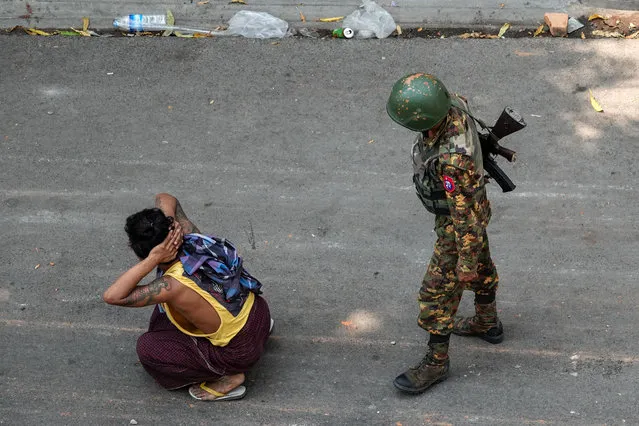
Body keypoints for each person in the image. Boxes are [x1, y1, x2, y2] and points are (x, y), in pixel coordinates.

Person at [386, 73, 504, 394]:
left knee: (436, 293)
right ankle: (487, 321)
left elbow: (465, 220)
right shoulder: (452, 105)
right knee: (480, 259)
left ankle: (436, 363)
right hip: (473, 205)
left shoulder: (453, 162)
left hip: (458, 223)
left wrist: (464, 263)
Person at [103, 193, 272, 401]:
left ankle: (229, 377)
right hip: (259, 313)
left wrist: (152, 259)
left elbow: (113, 296)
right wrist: (169, 223)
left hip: (241, 351)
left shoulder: (171, 286)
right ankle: (258, 335)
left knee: (148, 347)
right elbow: (165, 197)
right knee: (163, 316)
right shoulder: (191, 236)